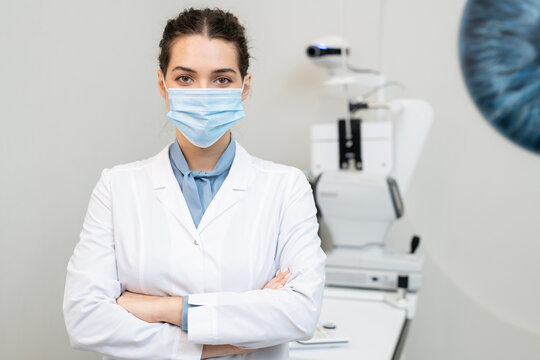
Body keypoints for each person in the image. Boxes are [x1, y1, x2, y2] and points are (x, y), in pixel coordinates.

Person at [63, 7, 326, 360]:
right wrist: (222, 338)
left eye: (221, 79)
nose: (203, 93)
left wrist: (164, 309)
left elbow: (300, 313)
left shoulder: (286, 187)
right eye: (185, 78)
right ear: (163, 84)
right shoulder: (117, 187)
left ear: (244, 87)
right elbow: (86, 320)